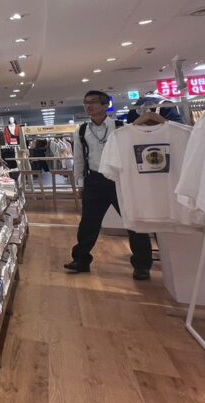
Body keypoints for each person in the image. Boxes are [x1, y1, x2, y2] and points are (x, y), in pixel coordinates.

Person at [65, 90, 153, 279]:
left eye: (93, 102)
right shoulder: (81, 131)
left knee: (133, 220)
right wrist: (80, 183)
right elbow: (78, 158)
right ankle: (81, 260)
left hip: (120, 179)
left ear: (106, 105)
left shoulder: (121, 127)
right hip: (94, 180)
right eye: (86, 102)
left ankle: (142, 265)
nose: (88, 106)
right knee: (88, 223)